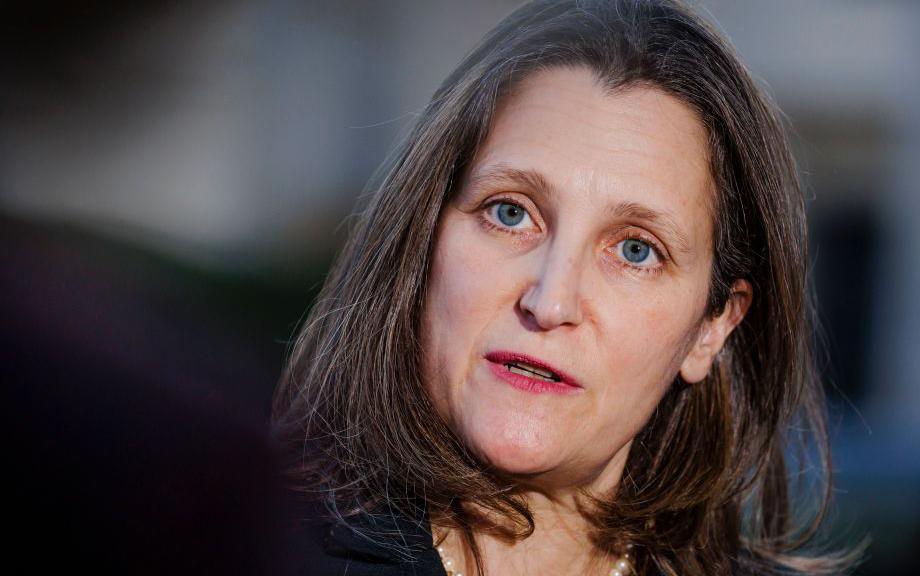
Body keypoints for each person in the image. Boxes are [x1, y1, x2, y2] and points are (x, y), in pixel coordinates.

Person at [271, 1, 861, 574]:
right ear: (423, 238)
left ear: (712, 328)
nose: (550, 302)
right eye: (510, 213)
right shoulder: (240, 547)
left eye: (636, 251)